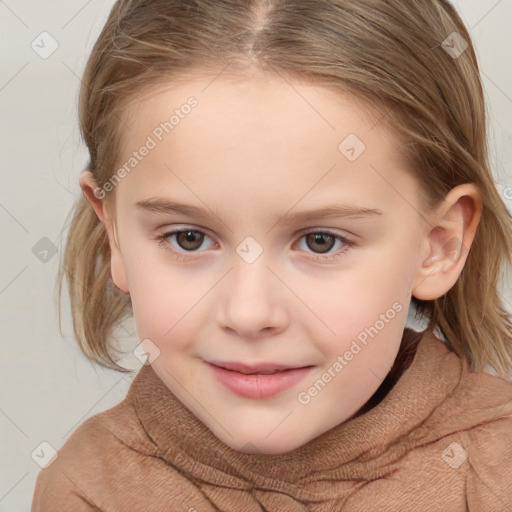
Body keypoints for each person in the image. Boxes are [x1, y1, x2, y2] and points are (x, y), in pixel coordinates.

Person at [32, 0, 512, 510]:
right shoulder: (90, 489)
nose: (249, 312)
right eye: (188, 238)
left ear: (438, 245)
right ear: (116, 238)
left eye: (320, 241)